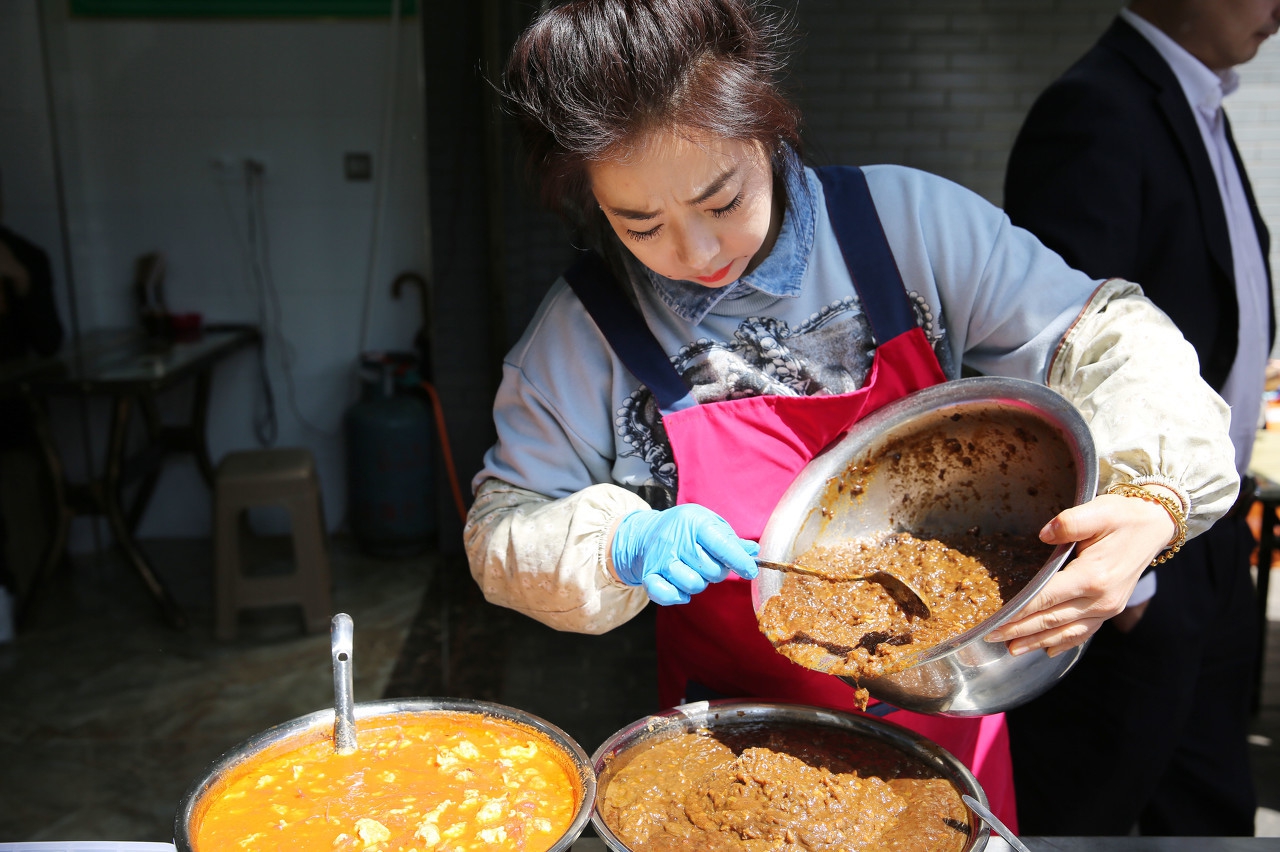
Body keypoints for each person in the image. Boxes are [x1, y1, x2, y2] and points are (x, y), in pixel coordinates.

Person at [464, 0, 1240, 830]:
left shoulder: (909, 228)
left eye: (722, 201)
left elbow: (1112, 337)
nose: (697, 254)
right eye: (640, 224)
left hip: (949, 723)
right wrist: (614, 545)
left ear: (767, 126)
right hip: (726, 766)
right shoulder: (582, 334)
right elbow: (502, 531)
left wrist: (1155, 497)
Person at [1001, 0, 1278, 837]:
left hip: (1208, 528)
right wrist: (1136, 575)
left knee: (1207, 800)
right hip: (1134, 552)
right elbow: (1056, 339)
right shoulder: (1097, 107)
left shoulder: (1196, 102)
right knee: (1094, 799)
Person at [0, 168, 65, 643]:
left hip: (12, 413)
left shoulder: (25, 258)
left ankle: (20, 600)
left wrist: (19, 281)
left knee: (19, 479)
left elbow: (49, 343)